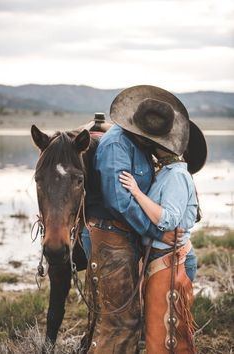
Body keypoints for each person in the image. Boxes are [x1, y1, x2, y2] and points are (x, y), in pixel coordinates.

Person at [82, 85, 186, 354]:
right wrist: (156, 230)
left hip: (122, 239)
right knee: (120, 321)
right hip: (110, 239)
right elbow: (119, 201)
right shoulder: (117, 145)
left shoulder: (137, 145)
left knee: (122, 319)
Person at [116, 92, 207, 354]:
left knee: (168, 337)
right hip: (162, 258)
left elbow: (167, 219)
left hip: (171, 260)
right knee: (162, 334)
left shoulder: (177, 176)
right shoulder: (167, 172)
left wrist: (136, 192)